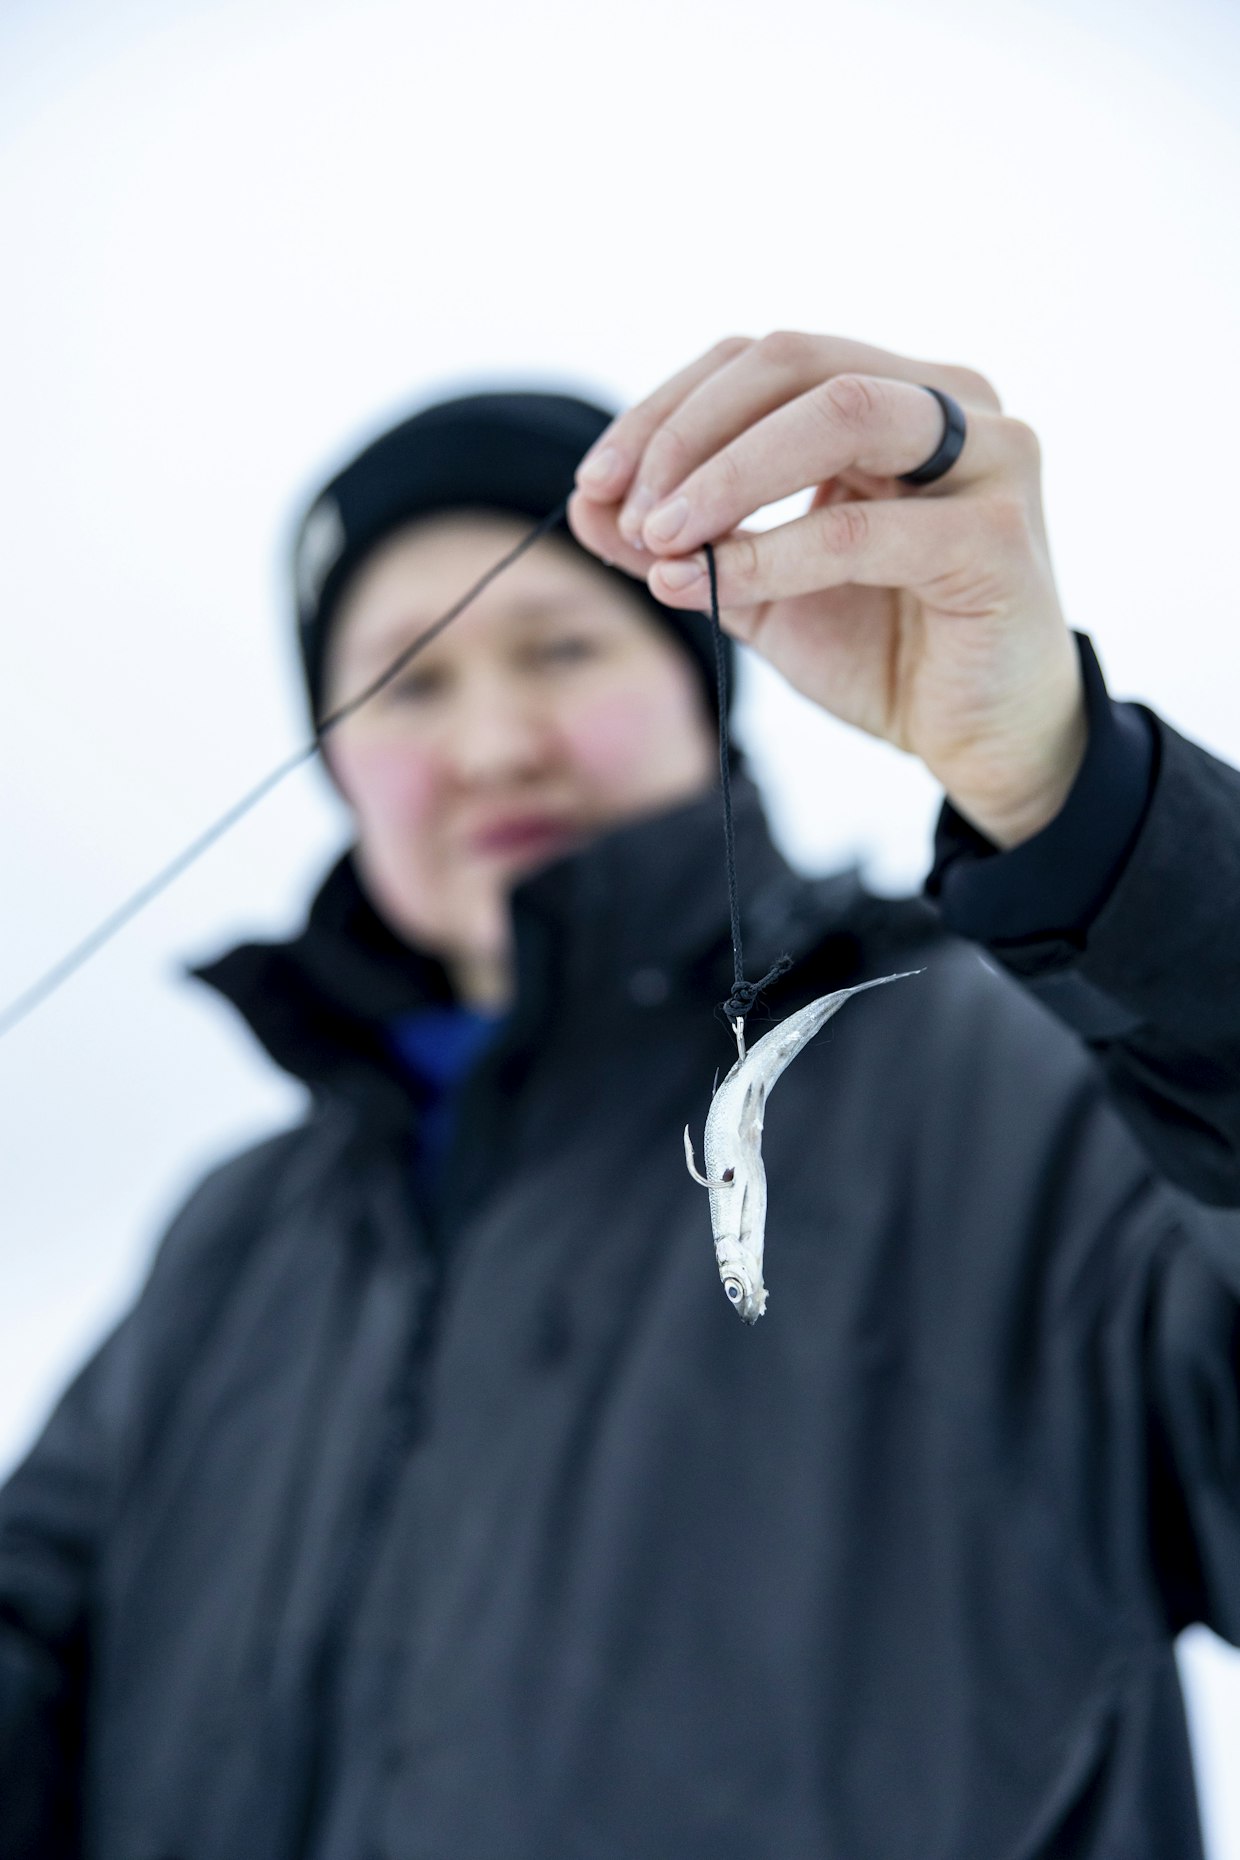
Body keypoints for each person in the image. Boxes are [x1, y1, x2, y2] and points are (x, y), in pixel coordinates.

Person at [1, 330, 1238, 1860]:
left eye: (561, 651)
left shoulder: (1001, 1084)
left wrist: (1089, 814)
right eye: (407, 682)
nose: (492, 743)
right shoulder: (234, 1241)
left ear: (702, 686)